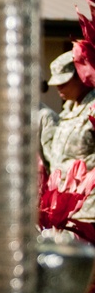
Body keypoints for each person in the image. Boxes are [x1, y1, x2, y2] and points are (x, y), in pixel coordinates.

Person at [47, 50, 95, 221]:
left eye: (64, 81)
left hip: (88, 211)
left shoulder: (93, 109)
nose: (59, 87)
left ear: (81, 76)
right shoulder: (67, 111)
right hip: (65, 210)